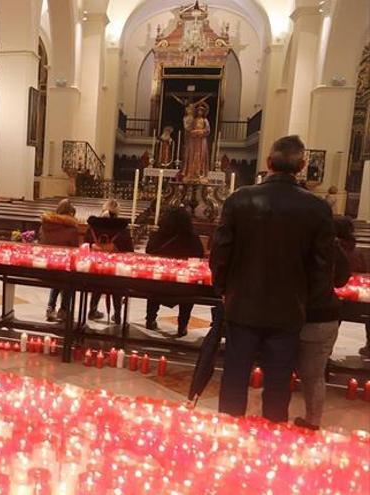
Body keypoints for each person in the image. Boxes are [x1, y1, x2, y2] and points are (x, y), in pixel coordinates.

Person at [212, 135, 335, 423]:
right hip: (288, 312)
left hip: (242, 306)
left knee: (234, 380)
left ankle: (226, 439)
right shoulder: (317, 208)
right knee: (279, 386)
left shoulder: (239, 199)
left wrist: (222, 289)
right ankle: (271, 440)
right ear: (302, 166)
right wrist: (309, 304)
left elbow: (220, 253)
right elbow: (322, 267)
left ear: (268, 162)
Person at [294, 217, 351, 430]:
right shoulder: (332, 246)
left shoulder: (294, 242)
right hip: (326, 313)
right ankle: (312, 420)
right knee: (314, 374)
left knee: (299, 372)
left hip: (301, 313)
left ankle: (305, 421)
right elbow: (341, 279)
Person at [145, 206, 204, 337]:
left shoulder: (158, 235)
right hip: (184, 284)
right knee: (188, 293)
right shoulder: (192, 238)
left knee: (154, 286)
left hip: (159, 282)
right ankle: (182, 325)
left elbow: (148, 250)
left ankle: (150, 319)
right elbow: (200, 254)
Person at [87, 199, 134, 323]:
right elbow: (129, 250)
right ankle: (117, 315)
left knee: (97, 286)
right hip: (115, 267)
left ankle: (92, 310)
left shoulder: (93, 226)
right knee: (117, 288)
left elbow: (86, 244)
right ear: (117, 212)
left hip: (96, 267)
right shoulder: (122, 228)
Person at [333, 216, 370, 357]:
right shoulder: (356, 251)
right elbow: (362, 273)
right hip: (357, 298)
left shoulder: (331, 248)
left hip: (334, 298)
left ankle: (327, 348)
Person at [40, 198, 80, 322]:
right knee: (69, 275)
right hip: (62, 270)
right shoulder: (71, 229)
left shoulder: (45, 226)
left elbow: (41, 242)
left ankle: (50, 307)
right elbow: (75, 250)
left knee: (58, 272)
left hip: (44, 267)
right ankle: (63, 310)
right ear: (70, 214)